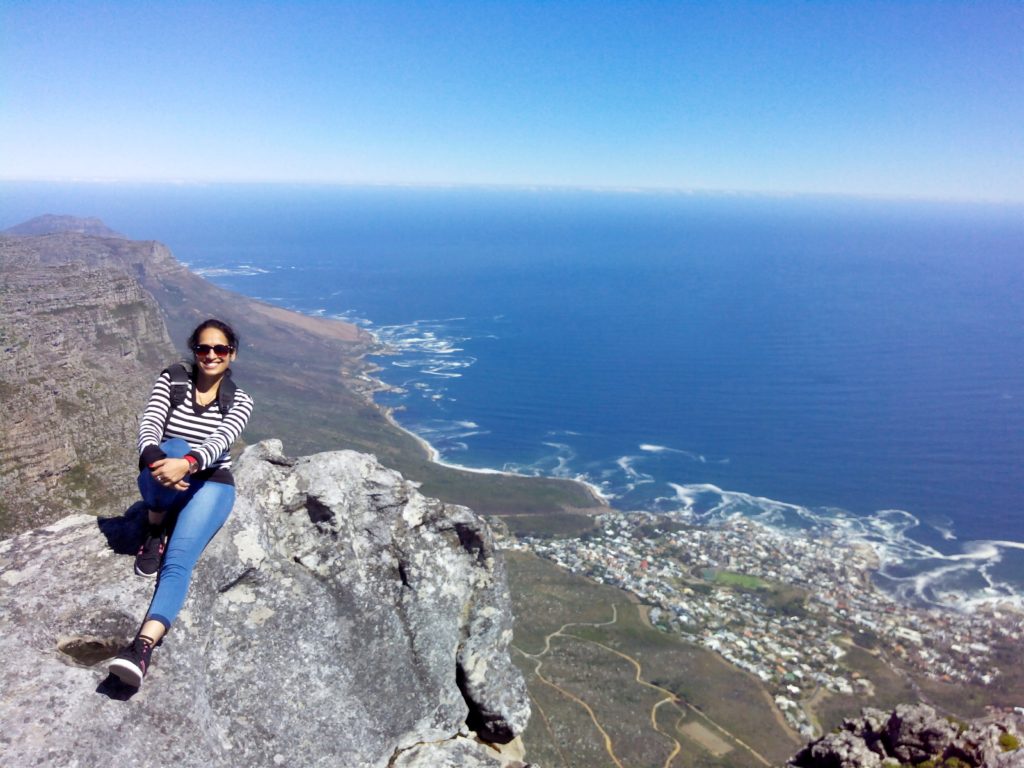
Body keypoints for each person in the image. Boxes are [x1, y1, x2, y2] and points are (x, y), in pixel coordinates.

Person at [109, 318, 254, 688]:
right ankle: (155, 525)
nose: (210, 355)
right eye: (203, 348)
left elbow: (220, 441)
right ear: (194, 351)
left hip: (210, 482)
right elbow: (150, 425)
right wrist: (163, 461)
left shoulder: (240, 401)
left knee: (179, 561)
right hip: (161, 468)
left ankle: (142, 647)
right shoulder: (172, 380)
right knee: (172, 445)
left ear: (231, 354)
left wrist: (187, 464)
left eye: (219, 349)